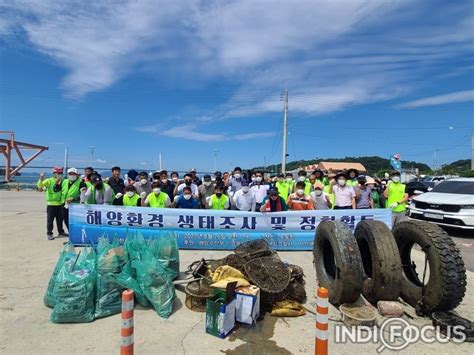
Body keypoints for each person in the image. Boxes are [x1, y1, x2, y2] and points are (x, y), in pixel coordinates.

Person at [37, 167, 66, 240]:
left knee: (60, 220)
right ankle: (49, 233)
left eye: (60, 173)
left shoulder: (63, 181)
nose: (59, 174)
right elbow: (40, 186)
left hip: (60, 204)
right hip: (51, 204)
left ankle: (61, 232)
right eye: (57, 173)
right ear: (54, 173)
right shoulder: (49, 180)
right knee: (50, 220)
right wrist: (41, 178)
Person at [61, 167, 86, 232]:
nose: (72, 175)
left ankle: (76, 234)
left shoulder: (81, 183)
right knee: (66, 220)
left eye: (73, 174)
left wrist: (74, 199)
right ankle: (71, 233)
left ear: (77, 175)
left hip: (75, 206)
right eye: (70, 174)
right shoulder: (64, 181)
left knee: (75, 221)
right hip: (64, 204)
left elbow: (84, 196)